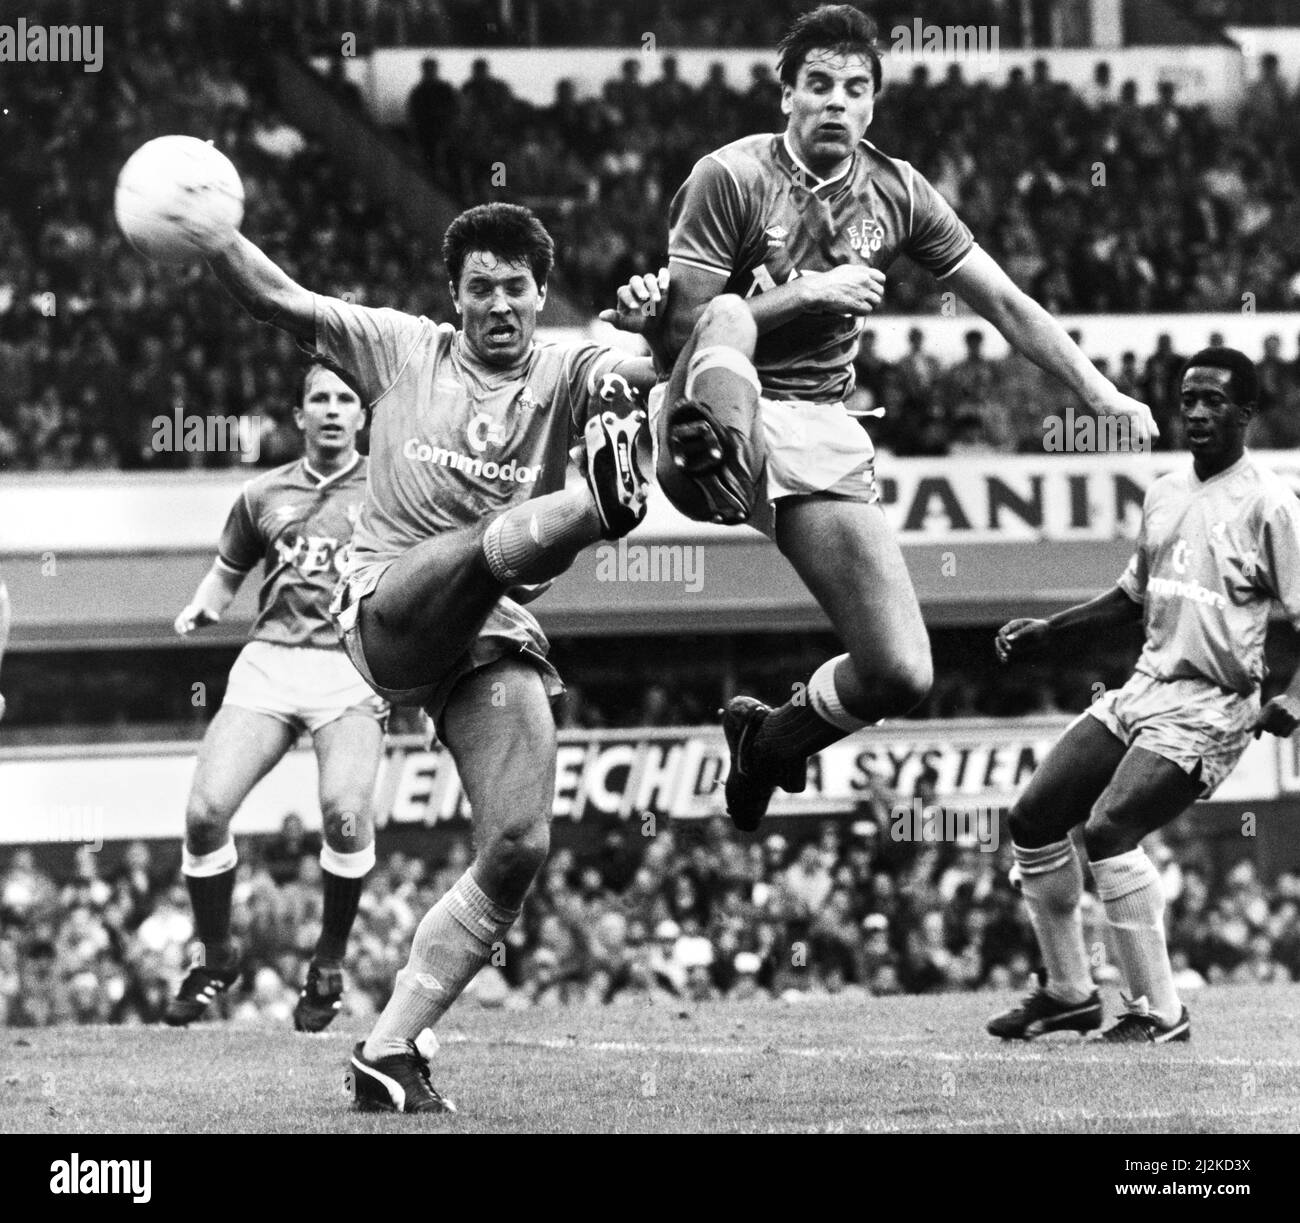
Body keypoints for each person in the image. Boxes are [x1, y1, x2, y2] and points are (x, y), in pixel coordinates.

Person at [614, 4, 1155, 834]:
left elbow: (1006, 304)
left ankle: (767, 739)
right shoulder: (730, 176)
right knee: (728, 314)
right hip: (714, 402)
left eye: (854, 88)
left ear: (873, 104)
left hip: (820, 429)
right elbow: (685, 331)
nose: (836, 101)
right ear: (785, 95)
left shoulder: (898, 192)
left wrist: (1098, 392)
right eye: (819, 84)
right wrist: (812, 292)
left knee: (901, 671)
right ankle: (700, 447)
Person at [169, 197, 656, 1112]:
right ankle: (592, 509)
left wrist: (672, 317)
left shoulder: (569, 368)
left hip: (492, 636)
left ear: (543, 292)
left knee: (518, 841)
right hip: (390, 609)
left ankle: (388, 1047)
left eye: (517, 288)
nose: (499, 306)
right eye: (481, 289)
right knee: (487, 542)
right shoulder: (399, 346)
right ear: (453, 296)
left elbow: (655, 358)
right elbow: (278, 298)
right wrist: (215, 235)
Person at [987, 348, 1300, 1043]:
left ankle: (1159, 1011)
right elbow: (1132, 597)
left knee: (1107, 831)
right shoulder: (1163, 489)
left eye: (1213, 401)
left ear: (1246, 413)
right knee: (1033, 817)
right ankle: (1069, 991)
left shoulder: (1273, 504)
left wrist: (1295, 698)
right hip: (1144, 686)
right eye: (1188, 398)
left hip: (1212, 704)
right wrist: (1051, 629)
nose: (1195, 411)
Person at [164, 360, 386, 1034]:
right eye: (318, 398)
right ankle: (216, 954)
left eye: (345, 398)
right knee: (205, 813)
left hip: (351, 664)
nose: (330, 408)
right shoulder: (262, 493)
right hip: (270, 662)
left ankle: (328, 962)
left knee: (345, 813)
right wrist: (204, 607)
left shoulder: (391, 488)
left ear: (362, 415)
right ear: (298, 415)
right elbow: (225, 574)